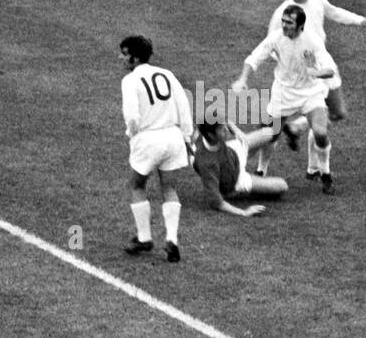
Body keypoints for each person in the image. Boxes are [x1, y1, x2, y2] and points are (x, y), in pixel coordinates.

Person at [263, 0, 366, 178]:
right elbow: (270, 45)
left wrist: (360, 20)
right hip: (302, 75)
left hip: (323, 64)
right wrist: (291, 64)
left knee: (338, 113)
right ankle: (314, 169)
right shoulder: (282, 12)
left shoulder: (317, 0)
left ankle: (298, 126)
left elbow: (334, 12)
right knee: (319, 118)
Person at [232, 5, 337, 192]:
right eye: (283, 21)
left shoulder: (312, 41)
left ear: (300, 26)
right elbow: (254, 58)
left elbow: (330, 69)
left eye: (289, 22)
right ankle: (261, 171)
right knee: (269, 134)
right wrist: (242, 79)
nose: (284, 25)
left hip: (310, 93)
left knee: (320, 132)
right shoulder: (277, 38)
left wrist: (317, 72)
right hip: (283, 93)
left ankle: (325, 173)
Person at [120, 35, 194, 261]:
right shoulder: (167, 74)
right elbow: (184, 106)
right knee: (169, 188)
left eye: (124, 54)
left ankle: (144, 238)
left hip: (148, 139)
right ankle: (172, 239)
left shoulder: (130, 81)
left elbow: (132, 116)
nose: (121, 58)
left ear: (134, 57)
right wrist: (187, 137)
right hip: (172, 137)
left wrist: (132, 135)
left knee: (136, 185)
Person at [191, 121, 288, 216]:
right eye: (221, 129)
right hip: (236, 180)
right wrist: (244, 212)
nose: (226, 130)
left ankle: (261, 169)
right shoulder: (207, 164)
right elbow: (216, 202)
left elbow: (224, 119)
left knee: (271, 132)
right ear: (211, 135)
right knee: (282, 186)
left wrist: (238, 132)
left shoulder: (206, 132)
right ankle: (258, 183)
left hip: (233, 151)